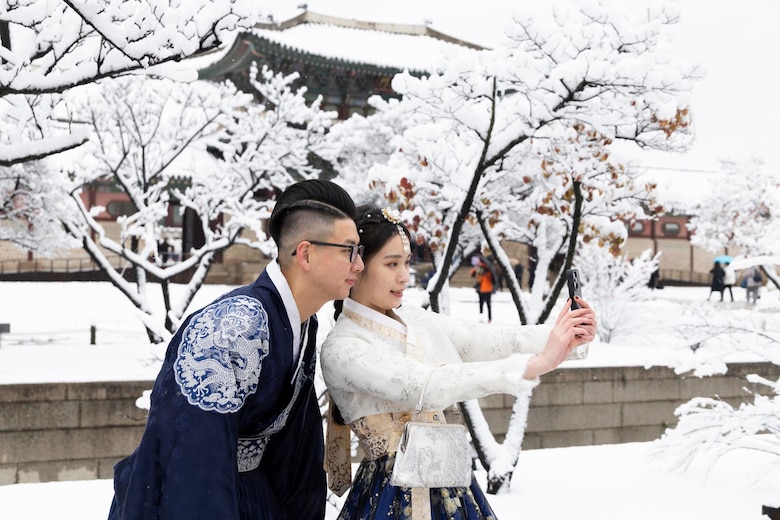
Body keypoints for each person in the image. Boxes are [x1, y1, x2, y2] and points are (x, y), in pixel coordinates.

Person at [320, 206, 596, 520]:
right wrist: (531, 366)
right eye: (391, 263)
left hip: (451, 481)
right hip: (391, 493)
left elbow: (490, 340)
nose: (404, 276)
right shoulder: (342, 347)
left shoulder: (417, 319)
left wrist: (565, 335)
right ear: (357, 267)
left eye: (407, 262)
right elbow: (425, 385)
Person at [108, 180, 363, 520]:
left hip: (252, 498)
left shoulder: (303, 323)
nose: (358, 265)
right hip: (205, 502)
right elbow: (192, 459)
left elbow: (296, 451)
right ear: (306, 253)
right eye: (349, 250)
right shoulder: (235, 325)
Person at [470, 257, 494, 323]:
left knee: (485, 304)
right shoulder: (482, 271)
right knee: (484, 304)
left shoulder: (488, 272)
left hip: (485, 290)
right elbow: (472, 274)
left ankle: (487, 317)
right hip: (484, 290)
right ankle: (485, 317)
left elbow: (473, 274)